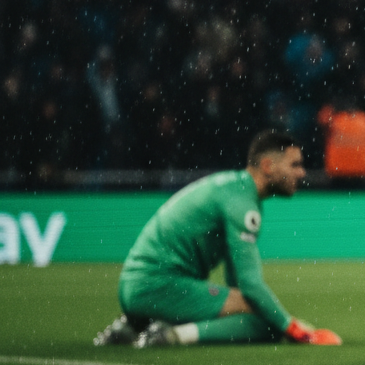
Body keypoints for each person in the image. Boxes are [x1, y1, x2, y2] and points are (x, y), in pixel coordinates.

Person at [93, 129, 341, 348]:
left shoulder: (234, 189)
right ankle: (172, 335)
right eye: (294, 165)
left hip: (136, 286)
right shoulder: (242, 204)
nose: (301, 172)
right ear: (268, 166)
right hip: (158, 286)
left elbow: (239, 284)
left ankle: (133, 327)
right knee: (266, 323)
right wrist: (292, 327)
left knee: (263, 314)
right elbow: (251, 285)